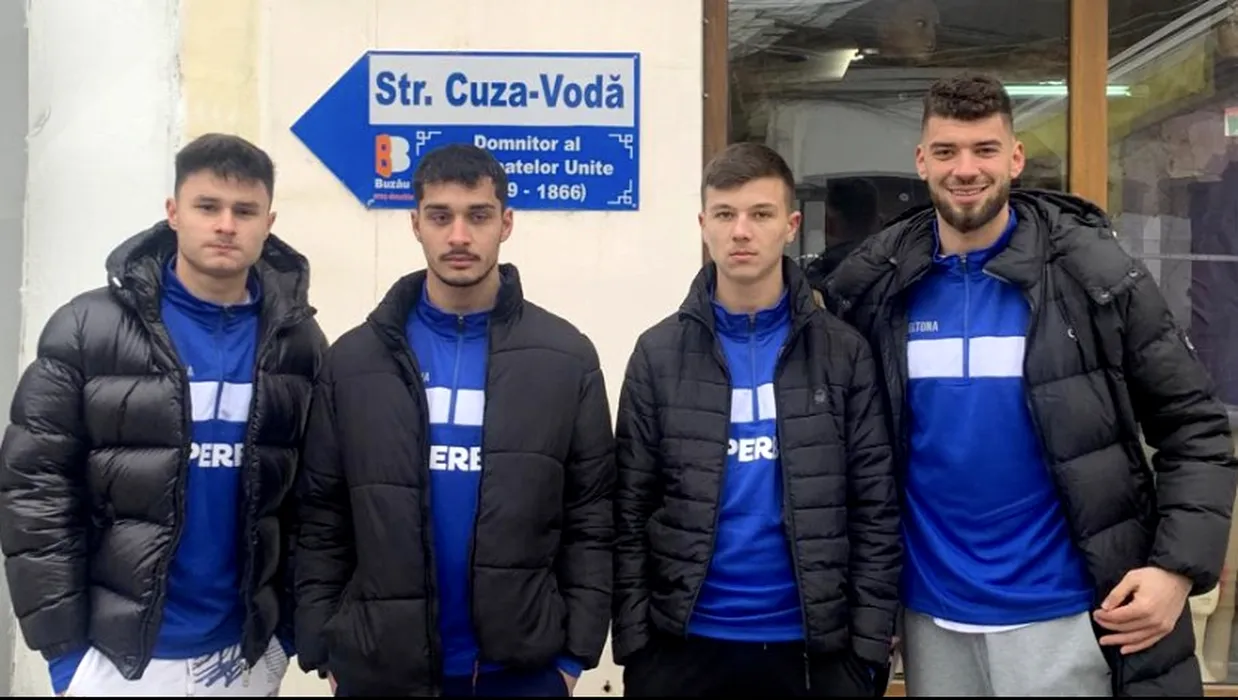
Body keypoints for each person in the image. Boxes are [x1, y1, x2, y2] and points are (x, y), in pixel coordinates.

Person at [821, 72, 1238, 696]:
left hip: (1068, 616)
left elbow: (1195, 428)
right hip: (932, 620)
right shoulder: (875, 288)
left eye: (984, 149)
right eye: (946, 151)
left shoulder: (1094, 277)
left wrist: (1175, 570)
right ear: (921, 161)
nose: (966, 169)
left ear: (1015, 158)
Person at [0, 132, 327, 696]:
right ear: (174, 212)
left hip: (243, 655)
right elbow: (34, 488)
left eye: (244, 211)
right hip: (117, 661)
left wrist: (286, 637)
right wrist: (65, 654)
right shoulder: (88, 329)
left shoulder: (297, 343)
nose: (226, 225)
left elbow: (313, 496)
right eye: (207, 206)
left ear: (268, 223)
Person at [293, 143, 615, 697]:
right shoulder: (353, 362)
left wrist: (572, 656)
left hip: (522, 675)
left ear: (506, 223)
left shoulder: (566, 357)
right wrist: (327, 646)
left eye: (478, 216)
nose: (459, 236)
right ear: (415, 223)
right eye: (440, 217)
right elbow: (322, 516)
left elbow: (592, 515)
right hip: (380, 671)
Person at [612, 141, 901, 697]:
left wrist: (866, 652)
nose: (741, 232)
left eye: (760, 214)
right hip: (683, 648)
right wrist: (638, 649)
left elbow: (875, 510)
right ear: (703, 226)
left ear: (791, 226)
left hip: (814, 652)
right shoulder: (658, 354)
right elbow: (629, 511)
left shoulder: (844, 353)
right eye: (725, 215)